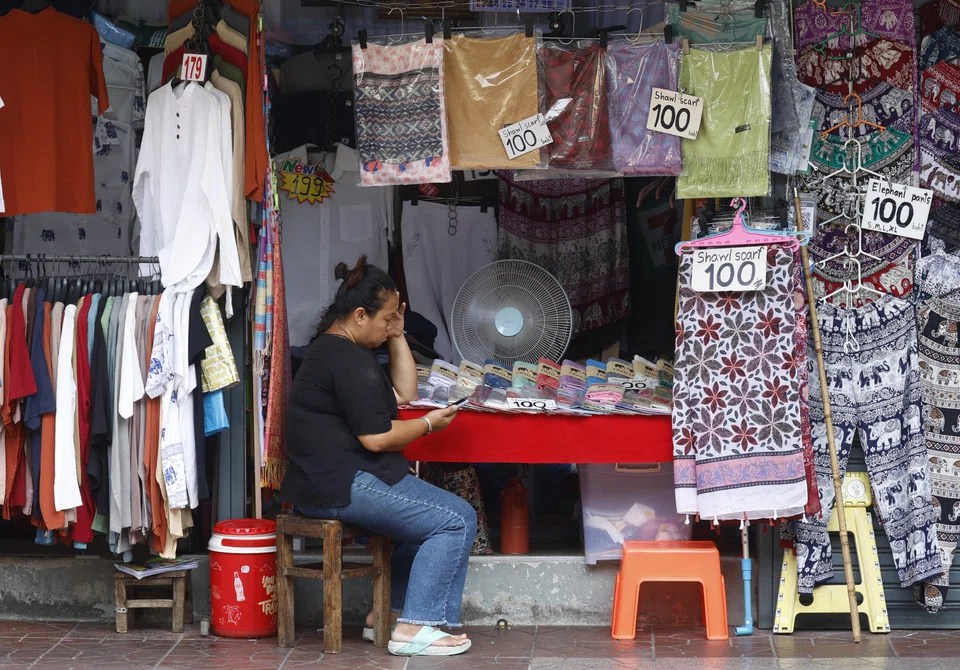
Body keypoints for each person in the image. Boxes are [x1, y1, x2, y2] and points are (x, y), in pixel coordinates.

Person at [281, 256, 477, 657]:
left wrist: (397, 334)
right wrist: (428, 425)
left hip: (326, 481)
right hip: (341, 483)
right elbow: (376, 438)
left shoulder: (336, 351)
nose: (391, 325)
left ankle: (386, 616)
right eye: (387, 319)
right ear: (358, 315)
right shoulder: (346, 359)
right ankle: (414, 627)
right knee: (456, 519)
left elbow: (403, 394)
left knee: (429, 520)